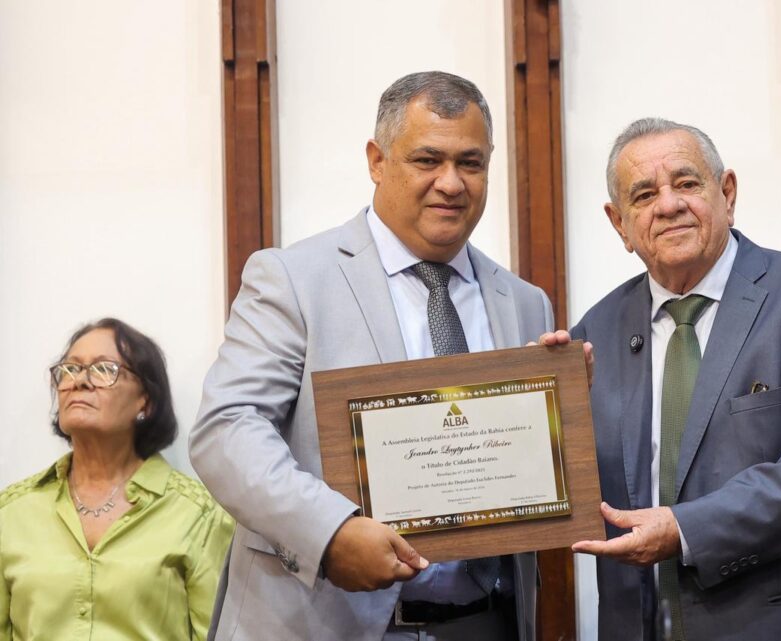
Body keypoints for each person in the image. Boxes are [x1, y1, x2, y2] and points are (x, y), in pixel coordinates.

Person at [190, 71, 563, 641]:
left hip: (484, 624)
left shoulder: (526, 303)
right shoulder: (292, 278)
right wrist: (331, 531)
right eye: (426, 160)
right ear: (377, 160)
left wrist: (561, 408)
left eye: (471, 162)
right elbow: (226, 430)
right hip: (322, 622)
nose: (451, 183)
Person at [567, 118, 781, 640]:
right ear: (620, 223)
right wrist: (543, 409)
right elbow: (569, 492)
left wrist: (686, 529)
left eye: (687, 183)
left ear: (728, 192)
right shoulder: (594, 333)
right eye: (645, 194)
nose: (668, 204)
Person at [0, 318, 234, 641]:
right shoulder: (11, 513)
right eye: (69, 370)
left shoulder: (198, 516)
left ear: (145, 401)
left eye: (103, 369)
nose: (79, 381)